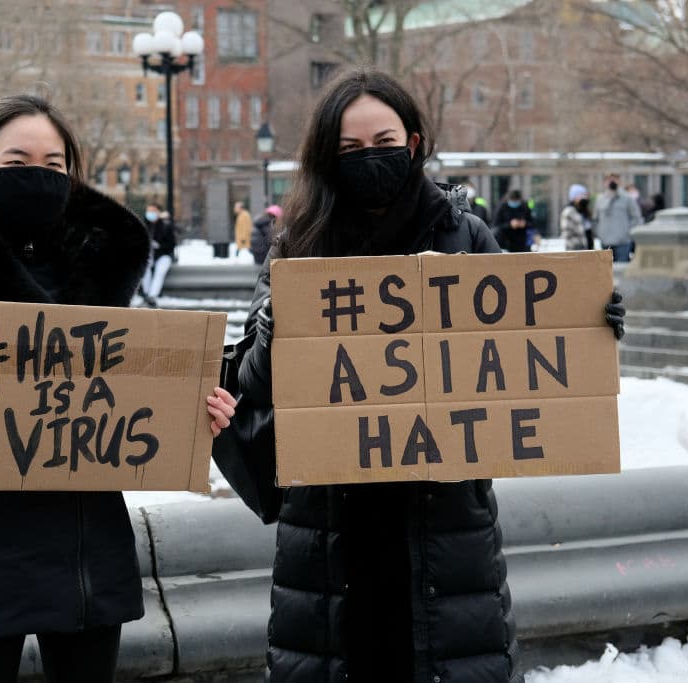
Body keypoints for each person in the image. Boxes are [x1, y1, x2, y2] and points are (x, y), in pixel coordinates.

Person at [221, 67, 625, 683]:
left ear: (413, 142)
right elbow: (251, 387)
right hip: (333, 533)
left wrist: (586, 323)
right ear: (328, 157)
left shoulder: (464, 235)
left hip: (442, 527)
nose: (369, 159)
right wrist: (276, 331)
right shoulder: (298, 245)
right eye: (350, 149)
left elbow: (522, 351)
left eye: (383, 143)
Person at [0, 95, 236, 683]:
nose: (38, 176)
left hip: (85, 559)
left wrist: (197, 412)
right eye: (18, 161)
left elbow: (131, 400)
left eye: (54, 165)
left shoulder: (98, 280)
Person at [594, 173, 641, 262]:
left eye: (614, 178)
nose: (612, 181)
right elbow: (595, 220)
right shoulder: (600, 199)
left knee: (620, 271)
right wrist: (600, 234)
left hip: (623, 243)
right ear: (604, 182)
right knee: (606, 272)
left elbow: (636, 218)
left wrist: (627, 233)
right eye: (609, 179)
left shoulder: (627, 198)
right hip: (605, 243)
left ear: (619, 181)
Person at [139, 203, 177, 306]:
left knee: (160, 271)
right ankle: (146, 294)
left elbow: (172, 244)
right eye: (149, 211)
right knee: (145, 269)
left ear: (159, 212)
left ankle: (152, 296)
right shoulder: (143, 225)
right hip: (148, 255)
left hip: (164, 255)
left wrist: (159, 246)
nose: (150, 213)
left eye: (153, 211)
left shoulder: (166, 225)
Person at [560, 184, 591, 251]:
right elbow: (567, 235)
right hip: (576, 251)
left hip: (587, 251)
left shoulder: (583, 211)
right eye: (581, 195)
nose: (584, 197)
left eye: (585, 195)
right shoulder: (569, 212)